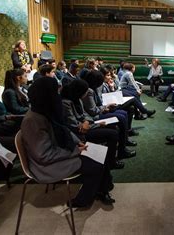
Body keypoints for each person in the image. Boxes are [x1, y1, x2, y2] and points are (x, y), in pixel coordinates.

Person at [21, 77, 115, 207]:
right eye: (55, 89)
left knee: (102, 155)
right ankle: (82, 201)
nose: (59, 90)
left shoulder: (43, 110)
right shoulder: (32, 120)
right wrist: (76, 151)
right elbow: (44, 155)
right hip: (47, 165)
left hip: (59, 151)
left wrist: (77, 143)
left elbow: (63, 129)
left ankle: (102, 190)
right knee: (96, 165)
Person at [61, 79, 124, 169]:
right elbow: (74, 125)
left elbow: (85, 115)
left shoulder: (77, 98)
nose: (87, 93)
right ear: (79, 91)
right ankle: (111, 162)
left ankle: (110, 157)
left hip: (87, 126)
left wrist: (87, 121)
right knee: (112, 134)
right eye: (85, 91)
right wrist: (96, 125)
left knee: (114, 127)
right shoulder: (65, 103)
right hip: (79, 133)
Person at [82, 70, 136, 159]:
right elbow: (93, 111)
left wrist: (106, 106)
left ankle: (124, 142)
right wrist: (105, 107)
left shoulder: (94, 88)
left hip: (99, 111)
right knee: (121, 117)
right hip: (94, 117)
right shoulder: (89, 91)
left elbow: (98, 103)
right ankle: (122, 151)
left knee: (124, 113)